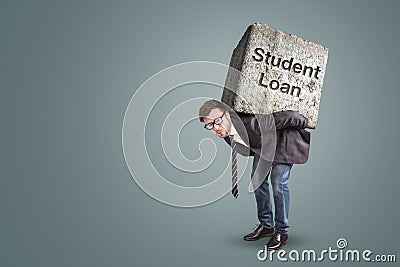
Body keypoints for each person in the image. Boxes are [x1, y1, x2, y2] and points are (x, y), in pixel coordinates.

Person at [198, 99, 310, 250]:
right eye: (210, 125)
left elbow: (288, 115)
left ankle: (281, 232)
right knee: (257, 180)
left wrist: (304, 121)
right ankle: (266, 226)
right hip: (264, 146)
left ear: (229, 115)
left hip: (283, 142)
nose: (215, 127)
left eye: (217, 121)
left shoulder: (252, 123)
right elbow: (247, 147)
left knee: (278, 183)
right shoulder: (225, 133)